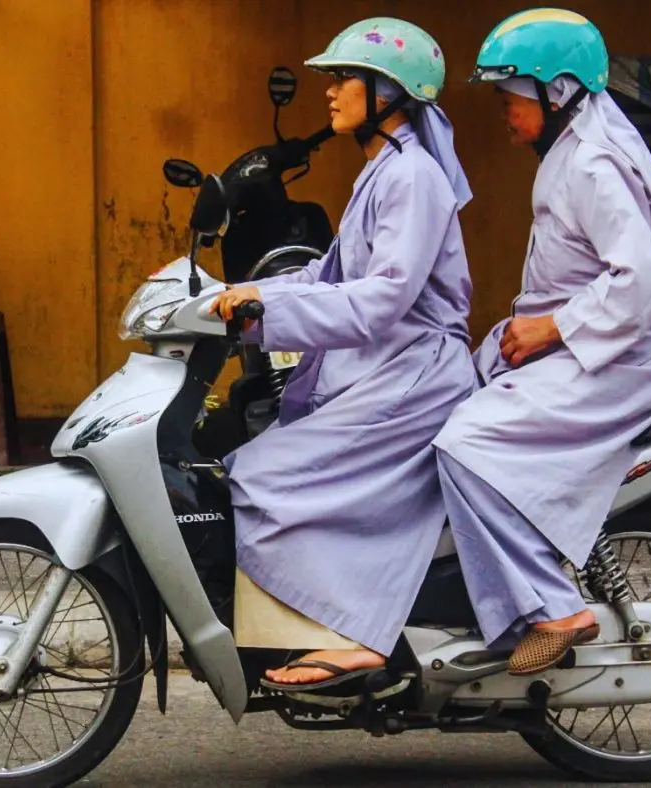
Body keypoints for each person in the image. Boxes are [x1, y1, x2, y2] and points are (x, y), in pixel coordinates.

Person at [209, 17, 476, 689]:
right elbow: (325, 278)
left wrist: (267, 310)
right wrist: (236, 294)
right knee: (264, 467)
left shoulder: (412, 178)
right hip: (387, 370)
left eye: (344, 79)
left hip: (415, 378)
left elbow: (382, 299)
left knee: (264, 476)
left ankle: (354, 637)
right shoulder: (382, 172)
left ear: (390, 91)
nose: (330, 93)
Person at [431, 8, 651, 676]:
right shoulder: (573, 149)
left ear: (558, 92)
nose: (502, 110)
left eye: (510, 96)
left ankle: (553, 608)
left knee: (466, 446)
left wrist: (553, 326)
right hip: (591, 346)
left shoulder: (592, 165)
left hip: (623, 361)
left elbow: (647, 275)